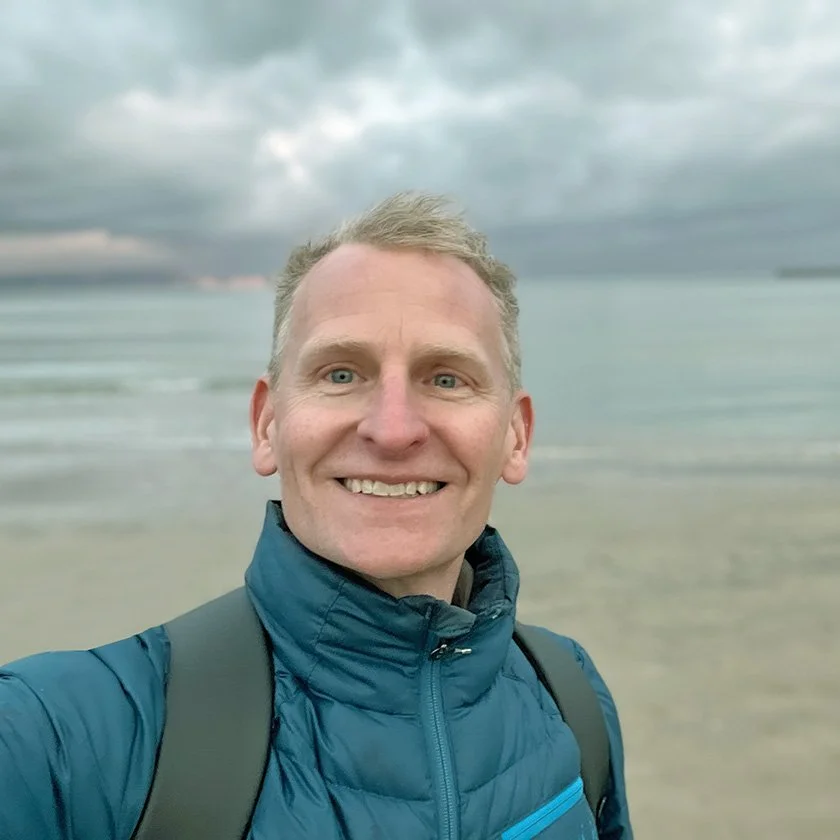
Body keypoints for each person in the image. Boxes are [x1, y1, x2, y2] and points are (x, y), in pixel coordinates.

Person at [0, 192, 633, 839]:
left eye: (446, 378)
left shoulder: (569, 695)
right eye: (340, 373)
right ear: (267, 423)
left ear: (516, 437)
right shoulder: (57, 737)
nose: (392, 430)